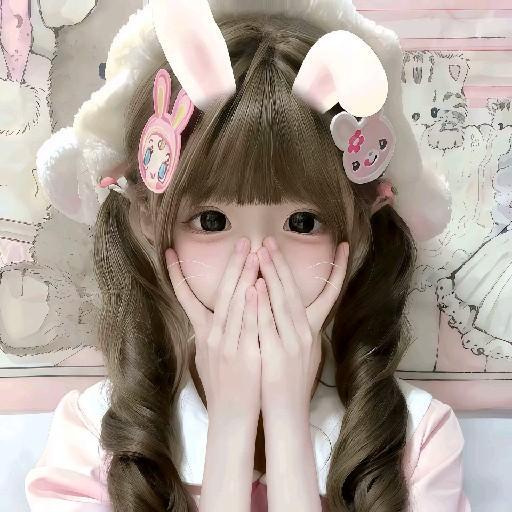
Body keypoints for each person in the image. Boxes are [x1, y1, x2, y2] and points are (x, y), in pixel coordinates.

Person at [25, 1, 470, 511]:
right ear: (149, 217)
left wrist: (287, 420)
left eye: (302, 223)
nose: (257, 261)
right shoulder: (91, 441)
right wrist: (231, 425)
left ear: (359, 227)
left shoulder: (418, 443)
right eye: (212, 221)